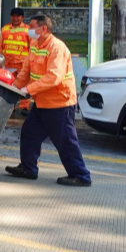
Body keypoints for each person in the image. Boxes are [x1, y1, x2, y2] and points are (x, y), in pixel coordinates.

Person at [5, 15, 91, 187]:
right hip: (42, 103)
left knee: (65, 141)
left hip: (60, 104)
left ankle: (81, 175)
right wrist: (13, 88)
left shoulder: (57, 48)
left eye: (32, 26)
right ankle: (28, 168)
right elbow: (26, 71)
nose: (29, 30)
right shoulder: (36, 46)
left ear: (43, 29)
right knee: (29, 133)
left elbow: (53, 77)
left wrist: (28, 90)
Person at [0, 7, 31, 111]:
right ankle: (10, 106)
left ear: (22, 17)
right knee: (9, 85)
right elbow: (0, 46)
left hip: (23, 64)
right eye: (13, 16)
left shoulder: (28, 30)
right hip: (8, 63)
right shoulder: (5, 29)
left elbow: (32, 47)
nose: (15, 18)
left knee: (24, 85)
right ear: (10, 17)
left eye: (18, 16)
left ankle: (24, 106)